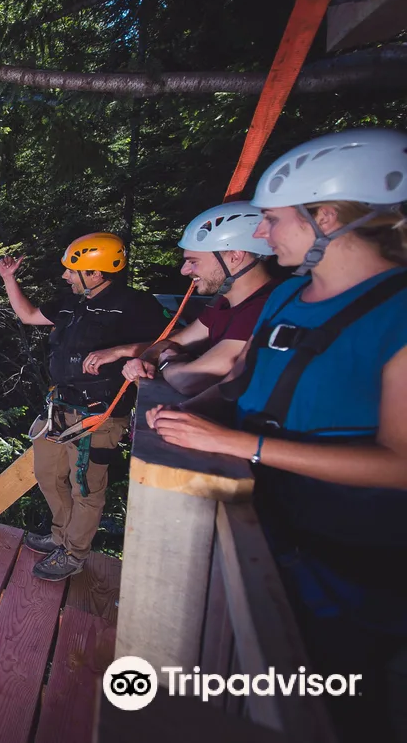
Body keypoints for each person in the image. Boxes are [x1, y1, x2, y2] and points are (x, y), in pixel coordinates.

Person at [145, 129, 407, 743]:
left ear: (327, 219)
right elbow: (241, 378)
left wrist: (240, 445)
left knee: (331, 699)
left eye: (272, 220)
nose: (260, 235)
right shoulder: (288, 294)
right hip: (265, 517)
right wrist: (193, 418)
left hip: (351, 551)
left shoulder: (397, 314)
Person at [0, 233, 168, 581]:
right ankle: (61, 535)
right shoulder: (71, 303)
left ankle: (74, 553)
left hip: (99, 413)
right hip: (59, 406)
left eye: (74, 271)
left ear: (98, 273)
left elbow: (169, 340)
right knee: (47, 473)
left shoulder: (135, 304)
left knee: (86, 487)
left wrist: (120, 352)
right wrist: (8, 278)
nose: (66, 277)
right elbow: (29, 316)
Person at [117, 202, 278, 395]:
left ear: (235, 256)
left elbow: (191, 380)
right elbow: (176, 342)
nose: (185, 271)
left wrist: (167, 361)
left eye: (194, 262)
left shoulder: (266, 307)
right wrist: (146, 359)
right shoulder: (224, 303)